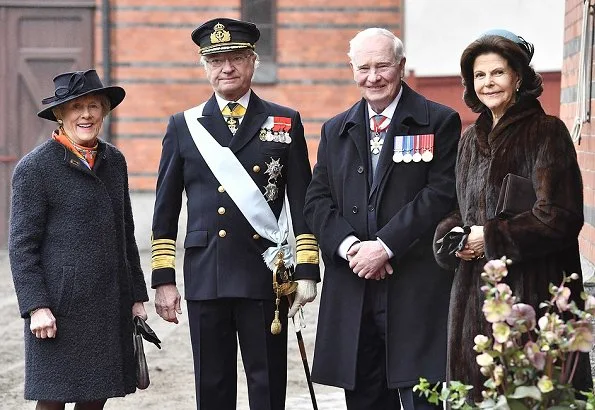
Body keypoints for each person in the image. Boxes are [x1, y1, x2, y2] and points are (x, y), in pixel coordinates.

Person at [150, 17, 320, 410]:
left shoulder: (284, 120)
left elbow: (303, 200)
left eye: (237, 58)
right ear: (204, 66)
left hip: (265, 273)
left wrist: (308, 270)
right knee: (212, 386)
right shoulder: (183, 126)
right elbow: (165, 209)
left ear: (253, 62)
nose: (226, 68)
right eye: (216, 60)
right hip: (206, 272)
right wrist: (164, 279)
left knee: (268, 384)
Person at [304, 27, 462, 410]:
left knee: (425, 397)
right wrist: (353, 248)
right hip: (353, 287)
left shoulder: (439, 121)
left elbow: (440, 194)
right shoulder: (335, 129)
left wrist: (385, 247)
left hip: (414, 286)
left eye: (382, 66)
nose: (372, 77)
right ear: (352, 69)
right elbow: (317, 199)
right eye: (363, 68)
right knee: (364, 398)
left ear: (402, 66)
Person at [433, 29, 592, 402]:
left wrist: (488, 238)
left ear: (518, 76)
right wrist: (452, 238)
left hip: (531, 298)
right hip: (473, 299)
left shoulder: (547, 132)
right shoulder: (471, 139)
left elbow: (560, 216)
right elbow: (461, 207)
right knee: (477, 395)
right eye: (479, 75)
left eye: (498, 72)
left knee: (530, 395)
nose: (488, 83)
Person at [8, 69, 149, 410]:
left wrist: (135, 296)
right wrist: (36, 306)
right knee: (52, 402)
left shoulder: (114, 161)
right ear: (60, 114)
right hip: (59, 309)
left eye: (94, 106)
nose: (85, 115)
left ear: (104, 111)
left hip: (107, 304)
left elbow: (125, 232)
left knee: (95, 398)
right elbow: (21, 247)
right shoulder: (34, 168)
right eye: (75, 107)